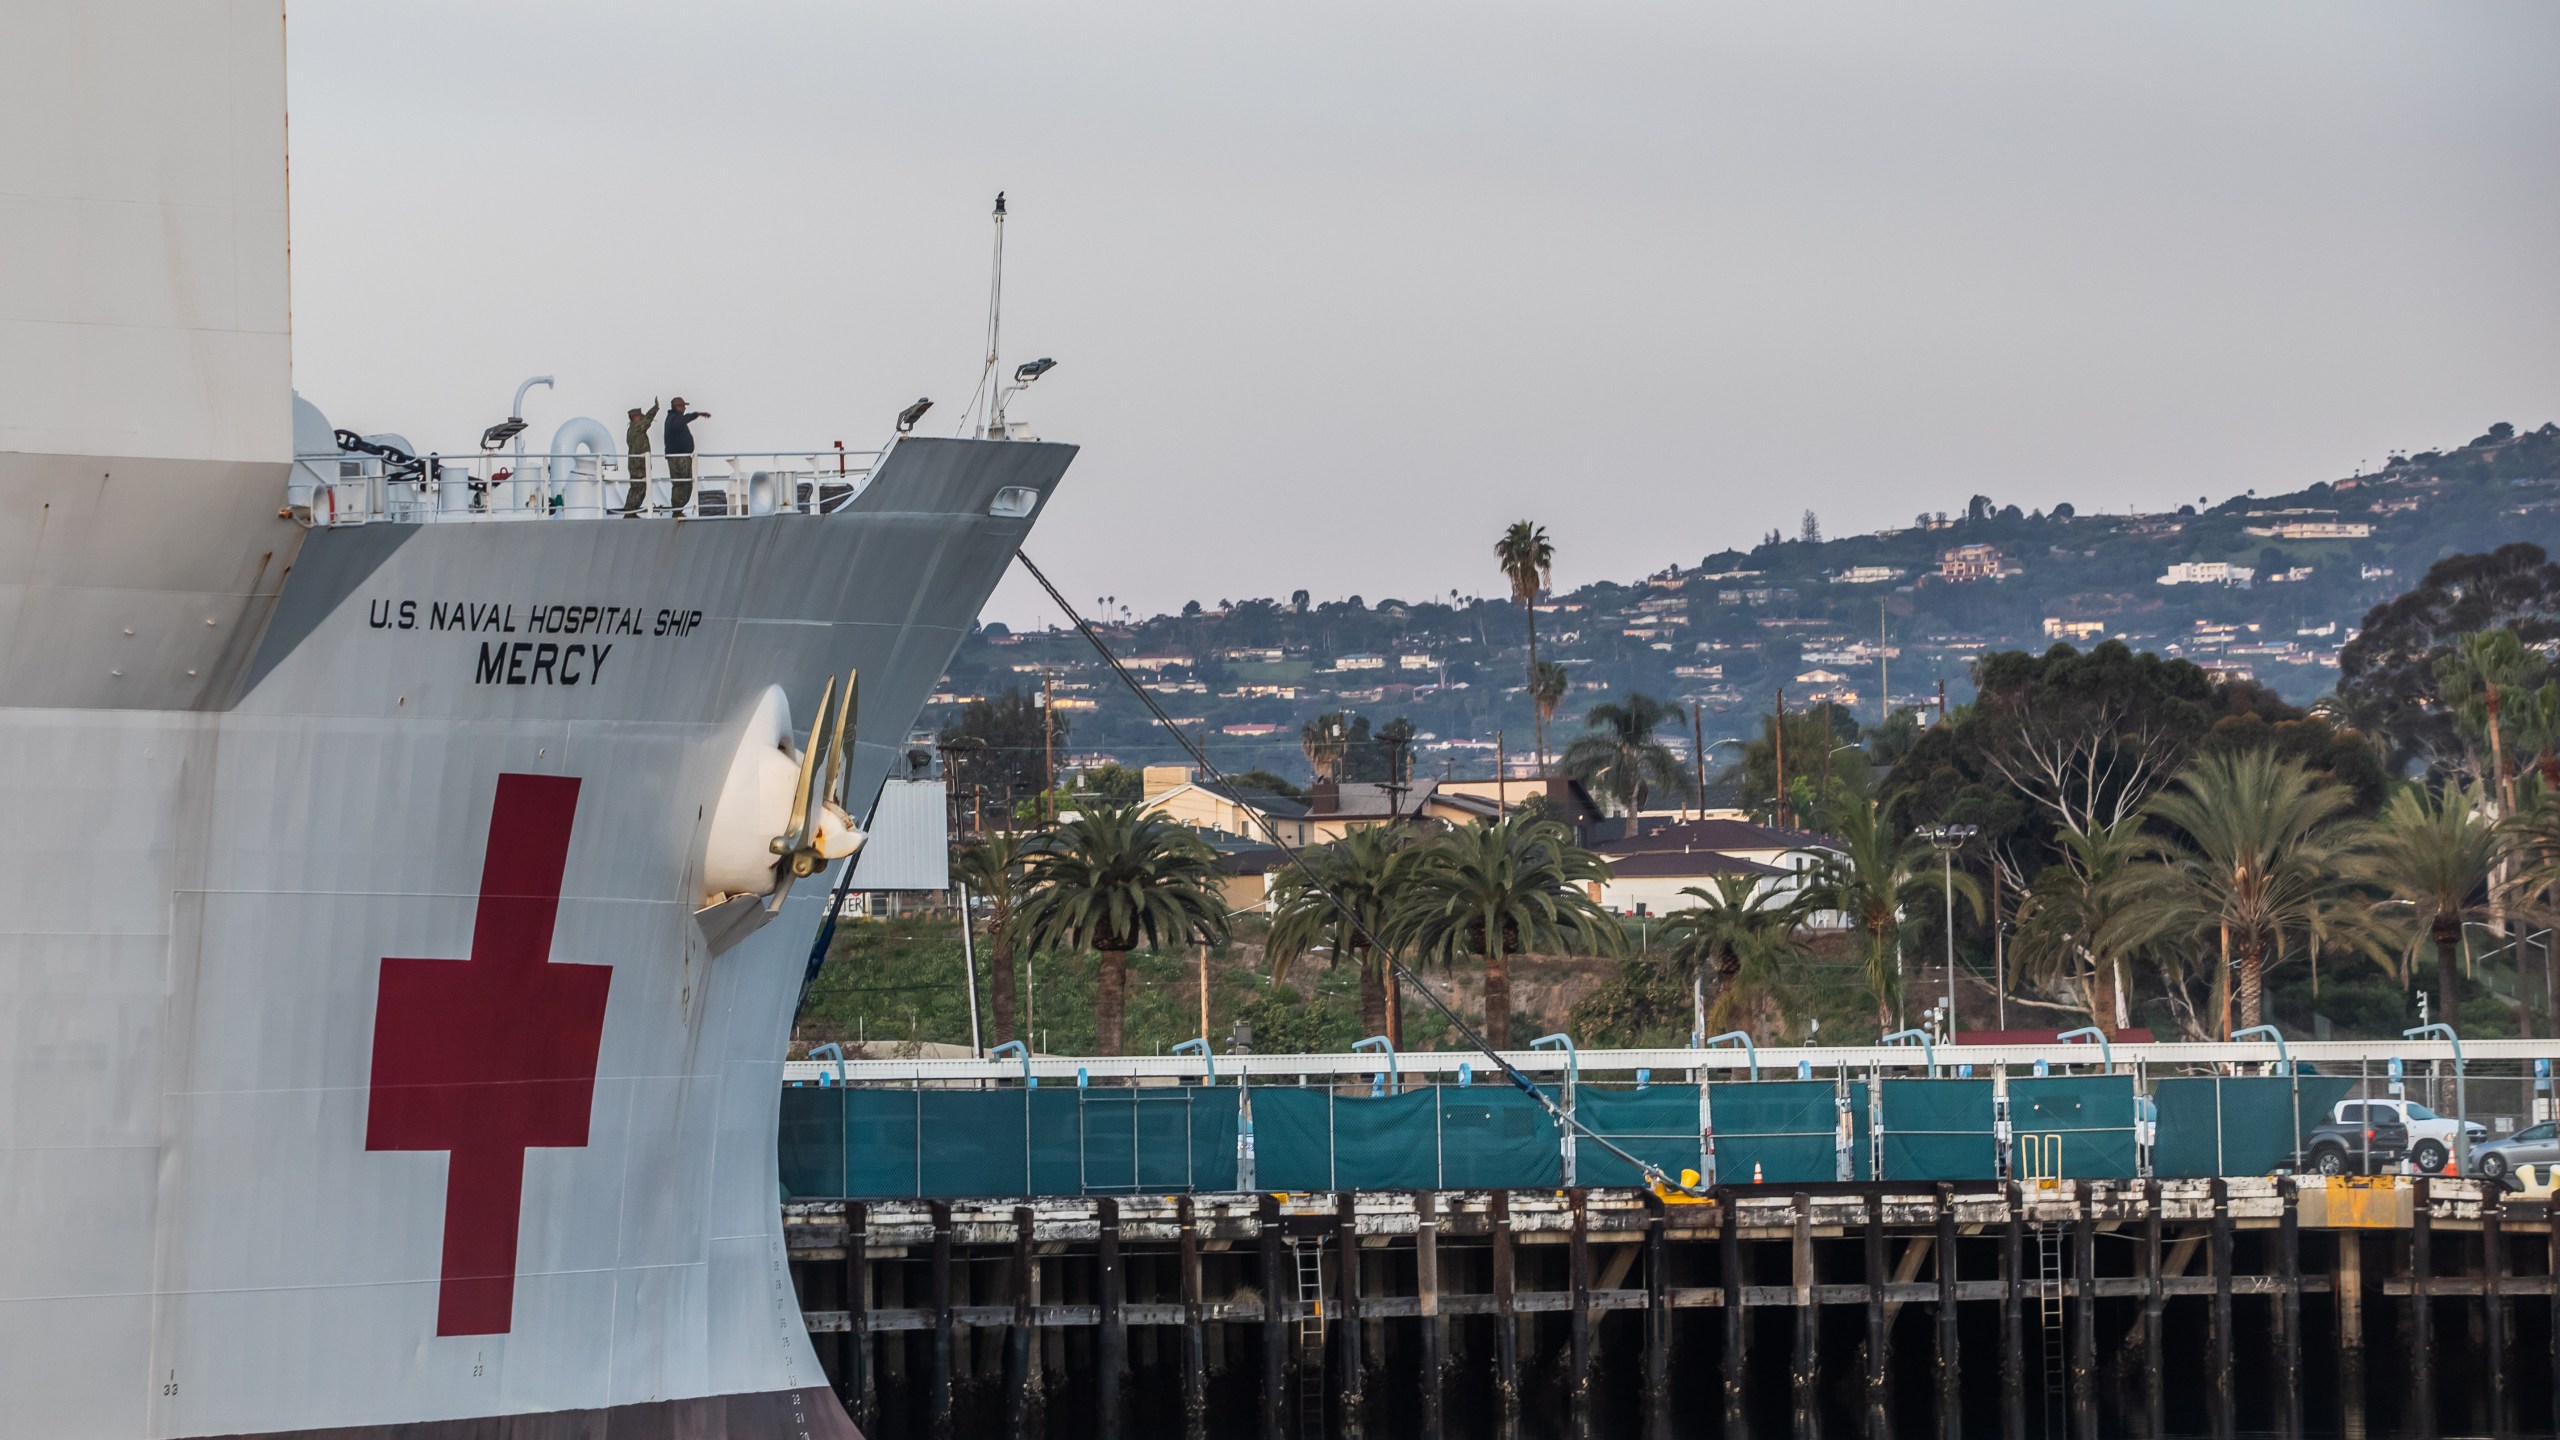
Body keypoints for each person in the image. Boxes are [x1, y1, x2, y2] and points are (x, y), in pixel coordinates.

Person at [664, 397, 711, 513]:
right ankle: (677, 508)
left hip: (678, 456)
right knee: (683, 483)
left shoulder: (673, 418)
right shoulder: (673, 419)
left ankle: (678, 508)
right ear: (677, 407)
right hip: (679, 457)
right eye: (682, 406)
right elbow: (678, 423)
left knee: (680, 483)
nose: (684, 408)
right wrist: (696, 414)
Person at [619, 399, 659, 516]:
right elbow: (647, 420)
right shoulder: (636, 427)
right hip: (638, 463)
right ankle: (630, 510)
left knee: (638, 487)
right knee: (639, 487)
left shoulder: (632, 428)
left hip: (637, 463)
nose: (641, 418)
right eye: (639, 416)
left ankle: (632, 509)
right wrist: (655, 408)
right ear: (635, 417)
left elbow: (646, 420)